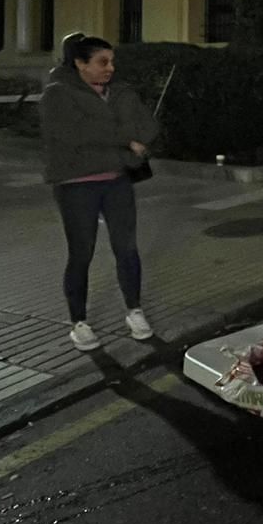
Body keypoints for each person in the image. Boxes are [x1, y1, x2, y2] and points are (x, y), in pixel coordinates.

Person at [39, 32, 160, 352]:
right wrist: (125, 140)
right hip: (76, 185)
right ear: (80, 64)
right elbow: (76, 134)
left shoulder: (120, 91)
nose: (110, 68)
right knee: (82, 252)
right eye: (102, 62)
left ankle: (134, 311)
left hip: (117, 181)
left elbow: (147, 127)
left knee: (127, 248)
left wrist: (126, 144)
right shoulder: (58, 94)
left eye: (112, 62)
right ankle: (78, 321)